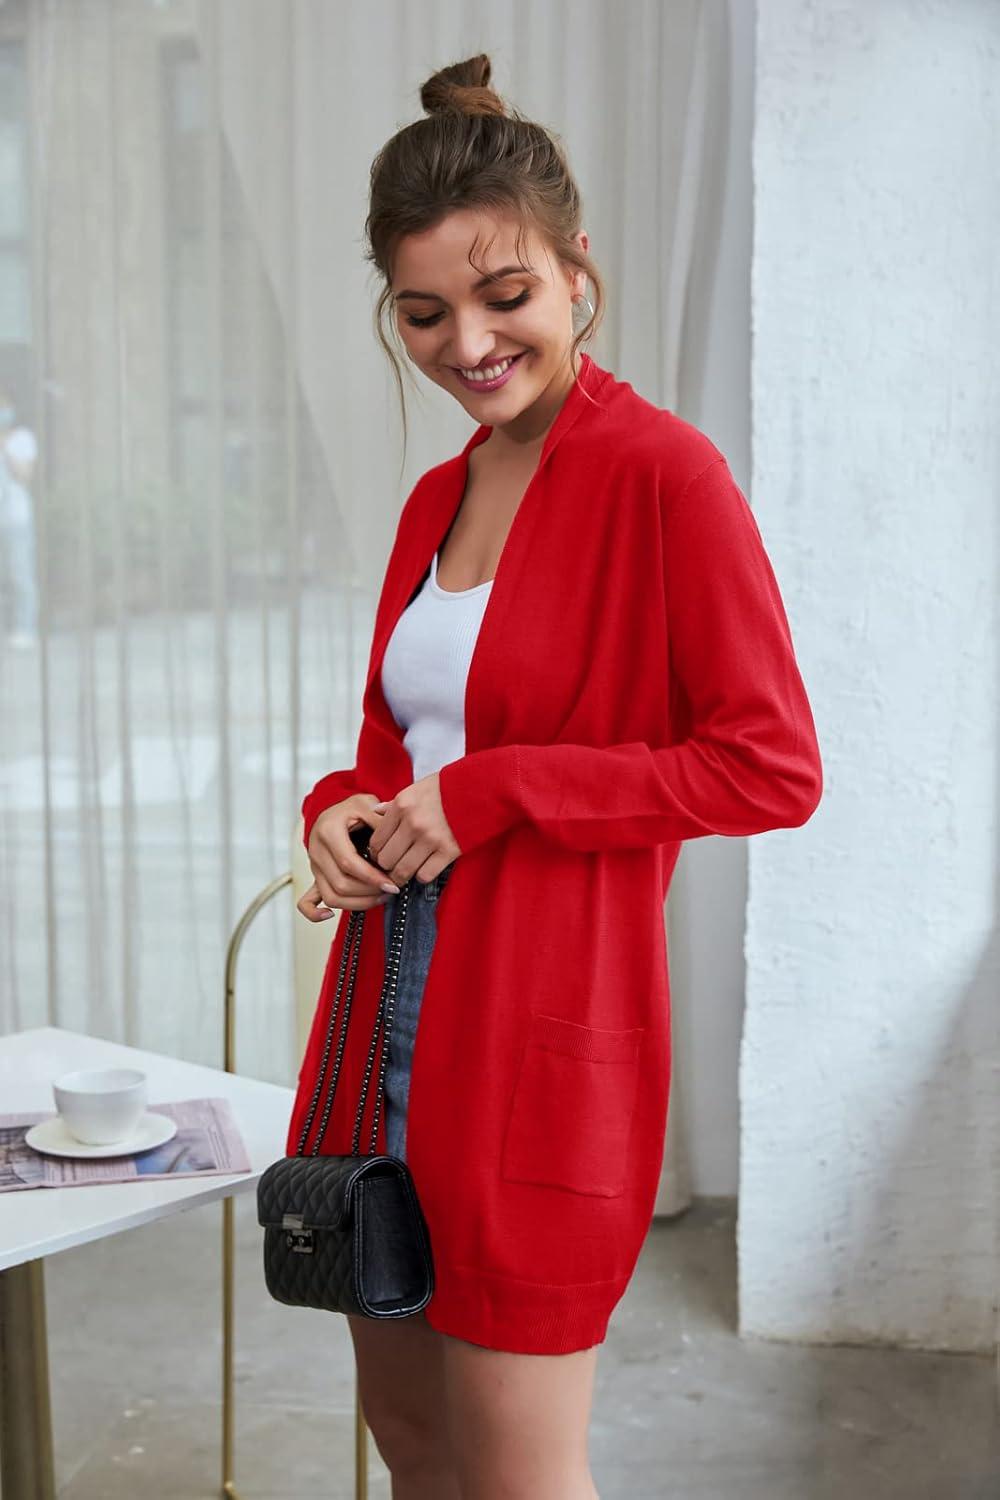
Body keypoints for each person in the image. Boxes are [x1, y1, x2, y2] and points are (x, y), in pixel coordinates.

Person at [293, 53, 823, 1500]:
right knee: (413, 1447)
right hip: (381, 1016)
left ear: (576, 269)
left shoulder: (665, 479)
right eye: (424, 314)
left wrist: (503, 792)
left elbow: (769, 767)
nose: (467, 342)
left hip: (540, 1030)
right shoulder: (435, 497)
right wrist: (338, 810)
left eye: (505, 294)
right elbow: (402, 747)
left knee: (519, 1473)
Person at [0, 387, 39, 648]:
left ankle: (25, 628)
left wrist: (5, 447)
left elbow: (25, 475)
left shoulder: (22, 439)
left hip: (16, 519)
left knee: (20, 573)